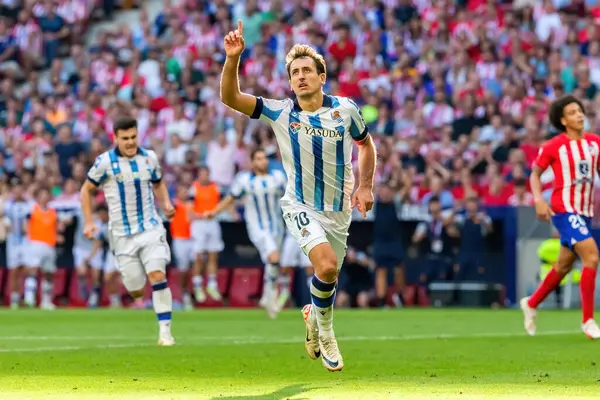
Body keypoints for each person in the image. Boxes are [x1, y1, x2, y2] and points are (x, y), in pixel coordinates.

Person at [220, 21, 376, 371]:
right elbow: (230, 98)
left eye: (308, 70)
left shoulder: (345, 110)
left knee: (329, 276)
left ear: (322, 77)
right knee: (326, 265)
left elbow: (366, 146)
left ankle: (312, 315)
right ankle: (327, 332)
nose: (301, 76)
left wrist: (365, 185)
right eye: (295, 73)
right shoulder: (280, 111)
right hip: (300, 205)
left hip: (339, 211)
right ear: (290, 82)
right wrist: (233, 59)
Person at [81, 116, 176, 346]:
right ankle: (136, 288)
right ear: (116, 138)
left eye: (133, 137)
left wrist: (166, 203)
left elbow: (158, 182)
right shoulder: (104, 162)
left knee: (157, 275)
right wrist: (88, 221)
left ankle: (165, 332)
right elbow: (86, 190)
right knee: (135, 289)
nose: (130, 142)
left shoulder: (149, 158)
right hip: (122, 235)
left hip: (150, 227)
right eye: (125, 138)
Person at [521, 95, 600, 339]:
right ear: (563, 120)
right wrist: (538, 200)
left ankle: (532, 303)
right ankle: (587, 321)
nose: (579, 115)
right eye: (573, 112)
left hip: (585, 212)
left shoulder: (595, 143)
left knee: (564, 266)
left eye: (580, 110)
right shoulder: (554, 146)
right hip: (564, 209)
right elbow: (535, 175)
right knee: (592, 256)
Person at [205, 148, 287, 318]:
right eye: (258, 158)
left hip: (277, 228)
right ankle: (270, 294)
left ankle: (268, 297)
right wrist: (215, 211)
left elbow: (292, 195)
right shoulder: (244, 180)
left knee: (272, 263)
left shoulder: (278, 178)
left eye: (264, 158)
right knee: (274, 258)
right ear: (252, 162)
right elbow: (231, 198)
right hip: (257, 228)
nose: (262, 161)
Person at [23, 187, 62, 310]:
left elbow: (57, 226)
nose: (44, 197)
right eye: (42, 195)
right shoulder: (33, 208)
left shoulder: (53, 211)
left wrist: (58, 234)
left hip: (50, 244)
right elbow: (26, 223)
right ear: (38, 197)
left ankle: (46, 301)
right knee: (33, 270)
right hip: (36, 243)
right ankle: (29, 297)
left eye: (46, 195)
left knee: (49, 273)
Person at [189, 166, 224, 303]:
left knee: (213, 255)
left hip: (213, 222)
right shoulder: (194, 188)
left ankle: (212, 284)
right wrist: (200, 216)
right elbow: (190, 209)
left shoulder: (216, 187)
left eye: (206, 174)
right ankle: (197, 285)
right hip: (199, 224)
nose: (204, 177)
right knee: (198, 256)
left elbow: (220, 205)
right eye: (202, 174)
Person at [4, 180, 34, 309]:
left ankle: (28, 297)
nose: (18, 192)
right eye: (15, 189)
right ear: (12, 191)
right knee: (14, 271)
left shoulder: (30, 205)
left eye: (20, 189)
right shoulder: (7, 205)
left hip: (27, 241)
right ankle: (15, 299)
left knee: (28, 269)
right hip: (13, 242)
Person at [73, 200, 105, 308]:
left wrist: (90, 257)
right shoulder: (79, 213)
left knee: (96, 275)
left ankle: (94, 298)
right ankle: (83, 288)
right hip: (80, 247)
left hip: (93, 249)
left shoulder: (98, 220)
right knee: (81, 273)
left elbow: (97, 242)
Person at [170, 185, 195, 310]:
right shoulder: (174, 204)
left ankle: (195, 289)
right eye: (182, 191)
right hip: (180, 239)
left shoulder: (192, 205)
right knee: (183, 269)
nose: (185, 194)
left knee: (198, 264)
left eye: (186, 191)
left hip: (193, 239)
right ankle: (185, 293)